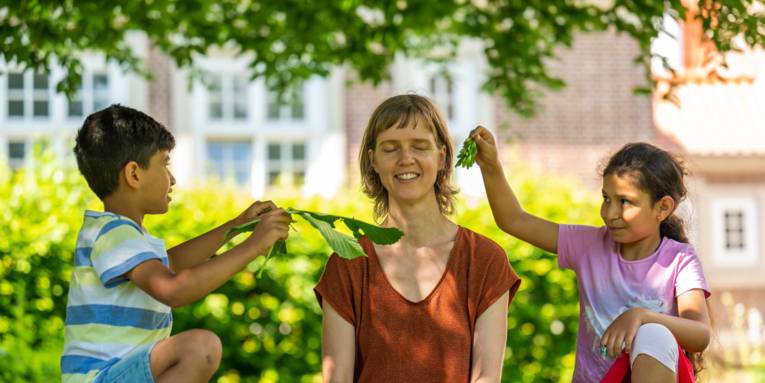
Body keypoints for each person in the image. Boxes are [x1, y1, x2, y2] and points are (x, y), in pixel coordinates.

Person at [61, 105, 291, 383]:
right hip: (103, 378)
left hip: (118, 375)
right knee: (200, 347)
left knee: (198, 348)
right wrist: (253, 246)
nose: (172, 179)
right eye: (164, 164)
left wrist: (237, 226)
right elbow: (173, 289)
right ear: (134, 174)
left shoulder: (121, 235)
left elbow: (172, 263)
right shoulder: (114, 233)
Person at [469, 126, 712, 383]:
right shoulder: (589, 245)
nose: (609, 213)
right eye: (606, 198)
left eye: (625, 202)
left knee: (654, 334)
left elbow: (700, 334)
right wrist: (490, 165)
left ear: (662, 208)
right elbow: (514, 220)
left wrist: (641, 316)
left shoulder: (679, 260)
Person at [315, 95, 521, 382]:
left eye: (419, 146)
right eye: (391, 148)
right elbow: (338, 379)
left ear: (442, 156)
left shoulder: (485, 260)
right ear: (373, 160)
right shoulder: (348, 264)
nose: (405, 159)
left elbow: (486, 378)